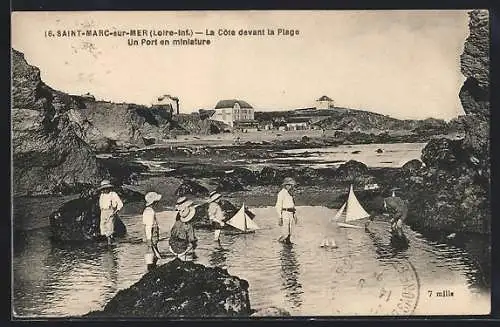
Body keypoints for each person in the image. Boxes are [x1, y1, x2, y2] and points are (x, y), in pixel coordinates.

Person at [98, 180, 123, 245]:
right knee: (103, 226)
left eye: (106, 188)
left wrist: (115, 212)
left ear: (109, 188)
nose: (105, 190)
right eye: (103, 189)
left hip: (110, 211)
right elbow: (101, 205)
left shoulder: (113, 194)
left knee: (110, 226)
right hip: (103, 212)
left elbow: (120, 204)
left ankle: (109, 242)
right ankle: (110, 239)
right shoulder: (102, 195)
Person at [143, 191, 162, 271]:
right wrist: (148, 239)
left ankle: (152, 265)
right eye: (157, 202)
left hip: (152, 232)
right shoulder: (149, 212)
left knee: (153, 249)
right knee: (151, 249)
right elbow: (148, 226)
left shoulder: (148, 210)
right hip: (151, 232)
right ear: (154, 203)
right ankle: (151, 266)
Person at [275, 177, 298, 244]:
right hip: (285, 213)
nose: (290, 187)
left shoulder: (290, 194)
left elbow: (293, 205)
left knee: (290, 231)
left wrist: (295, 215)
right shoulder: (281, 193)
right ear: (285, 185)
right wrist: (280, 217)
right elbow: (278, 206)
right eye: (289, 185)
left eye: (291, 185)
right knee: (285, 233)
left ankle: (288, 245)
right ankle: (280, 243)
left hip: (291, 213)